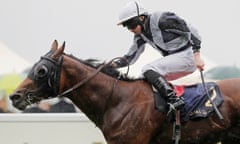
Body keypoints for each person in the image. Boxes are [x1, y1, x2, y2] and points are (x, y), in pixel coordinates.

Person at [112, 1, 205, 112]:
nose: (130, 29)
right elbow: (130, 57)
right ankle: (165, 108)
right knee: (144, 78)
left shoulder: (163, 19)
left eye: (131, 24)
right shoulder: (140, 35)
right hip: (176, 59)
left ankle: (174, 100)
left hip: (188, 56)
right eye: (126, 26)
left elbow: (192, 33)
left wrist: (197, 55)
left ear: (141, 18)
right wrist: (111, 66)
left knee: (148, 69)